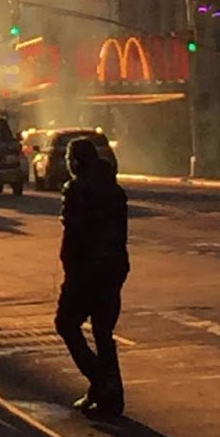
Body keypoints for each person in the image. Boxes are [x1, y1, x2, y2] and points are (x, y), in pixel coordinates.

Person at [55, 135, 130, 421]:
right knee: (103, 331)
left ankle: (101, 381)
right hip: (114, 267)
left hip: (86, 269)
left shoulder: (76, 189)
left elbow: (73, 234)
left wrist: (70, 268)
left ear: (75, 162)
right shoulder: (114, 189)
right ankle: (112, 396)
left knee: (66, 324)